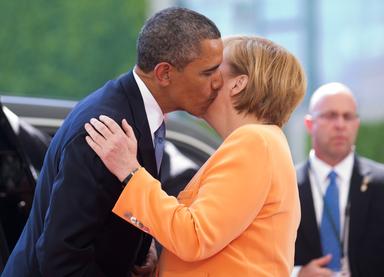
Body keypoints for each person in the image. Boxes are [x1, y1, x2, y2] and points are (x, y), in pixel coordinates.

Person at [2, 7, 223, 277]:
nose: (218, 82)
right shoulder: (103, 132)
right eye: (208, 72)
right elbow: (61, 258)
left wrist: (141, 249)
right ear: (164, 73)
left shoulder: (135, 112)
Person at [84, 35, 307, 276]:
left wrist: (130, 171)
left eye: (213, 68)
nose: (202, 75)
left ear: (237, 84)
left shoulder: (254, 142)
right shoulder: (262, 142)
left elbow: (195, 237)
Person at [293, 82, 384, 277]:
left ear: (357, 124)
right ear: (310, 124)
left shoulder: (380, 183)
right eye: (330, 115)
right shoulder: (285, 185)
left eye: (348, 116)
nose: (340, 125)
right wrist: (297, 274)